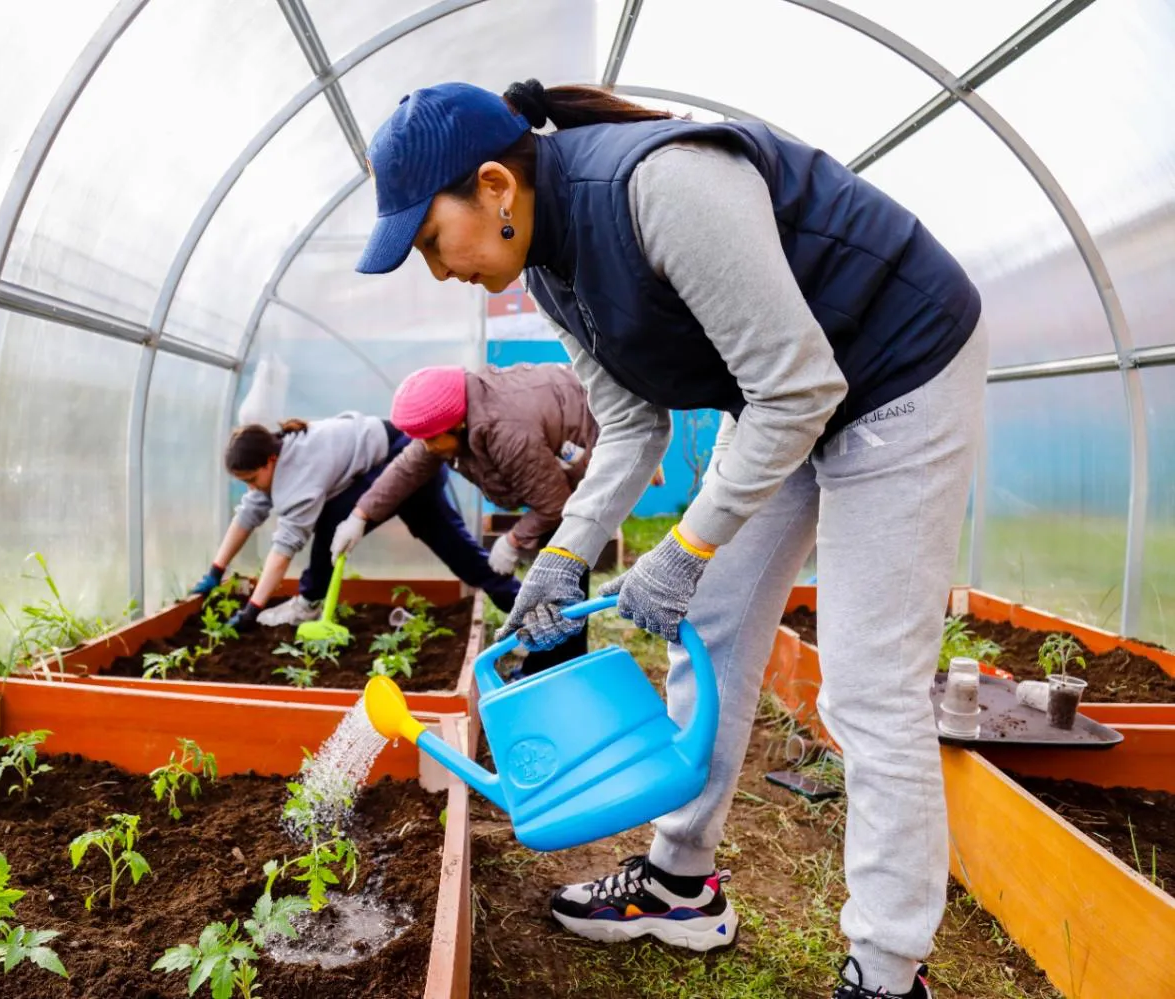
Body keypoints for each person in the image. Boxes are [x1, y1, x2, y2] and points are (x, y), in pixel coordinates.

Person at [354, 78, 986, 999]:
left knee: (868, 686)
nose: (438, 268)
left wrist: (686, 547)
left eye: (427, 241)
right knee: (715, 633)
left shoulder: (663, 186)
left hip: (896, 369)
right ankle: (679, 885)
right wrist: (565, 555)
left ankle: (890, 972)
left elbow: (800, 388)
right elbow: (630, 423)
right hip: (773, 395)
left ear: (494, 186)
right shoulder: (546, 266)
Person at [331, 361, 599, 673]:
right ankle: (549, 663)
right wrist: (360, 515)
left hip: (587, 444)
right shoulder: (456, 418)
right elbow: (408, 467)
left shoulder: (505, 429)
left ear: (457, 425)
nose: (428, 446)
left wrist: (512, 541)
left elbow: (555, 505)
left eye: (432, 439)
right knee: (555, 569)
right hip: (557, 446)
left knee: (562, 568)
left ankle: (557, 671)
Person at [190, 413, 517, 629]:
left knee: (336, 520)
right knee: (453, 545)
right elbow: (248, 514)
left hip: (405, 457)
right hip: (397, 451)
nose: (250, 486)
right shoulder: (277, 456)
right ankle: (518, 606)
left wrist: (252, 610)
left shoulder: (298, 477)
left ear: (270, 461)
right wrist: (215, 572)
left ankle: (307, 604)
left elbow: (284, 547)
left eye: (250, 478)